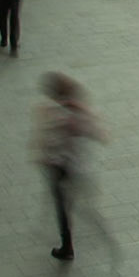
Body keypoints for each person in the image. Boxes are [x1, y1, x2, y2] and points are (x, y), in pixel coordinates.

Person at [32, 73, 107, 261]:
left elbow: (48, 139)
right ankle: (68, 240)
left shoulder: (52, 111)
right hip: (76, 165)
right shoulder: (78, 110)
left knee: (62, 205)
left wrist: (43, 154)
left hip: (59, 166)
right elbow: (98, 133)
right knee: (67, 203)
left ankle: (67, 246)